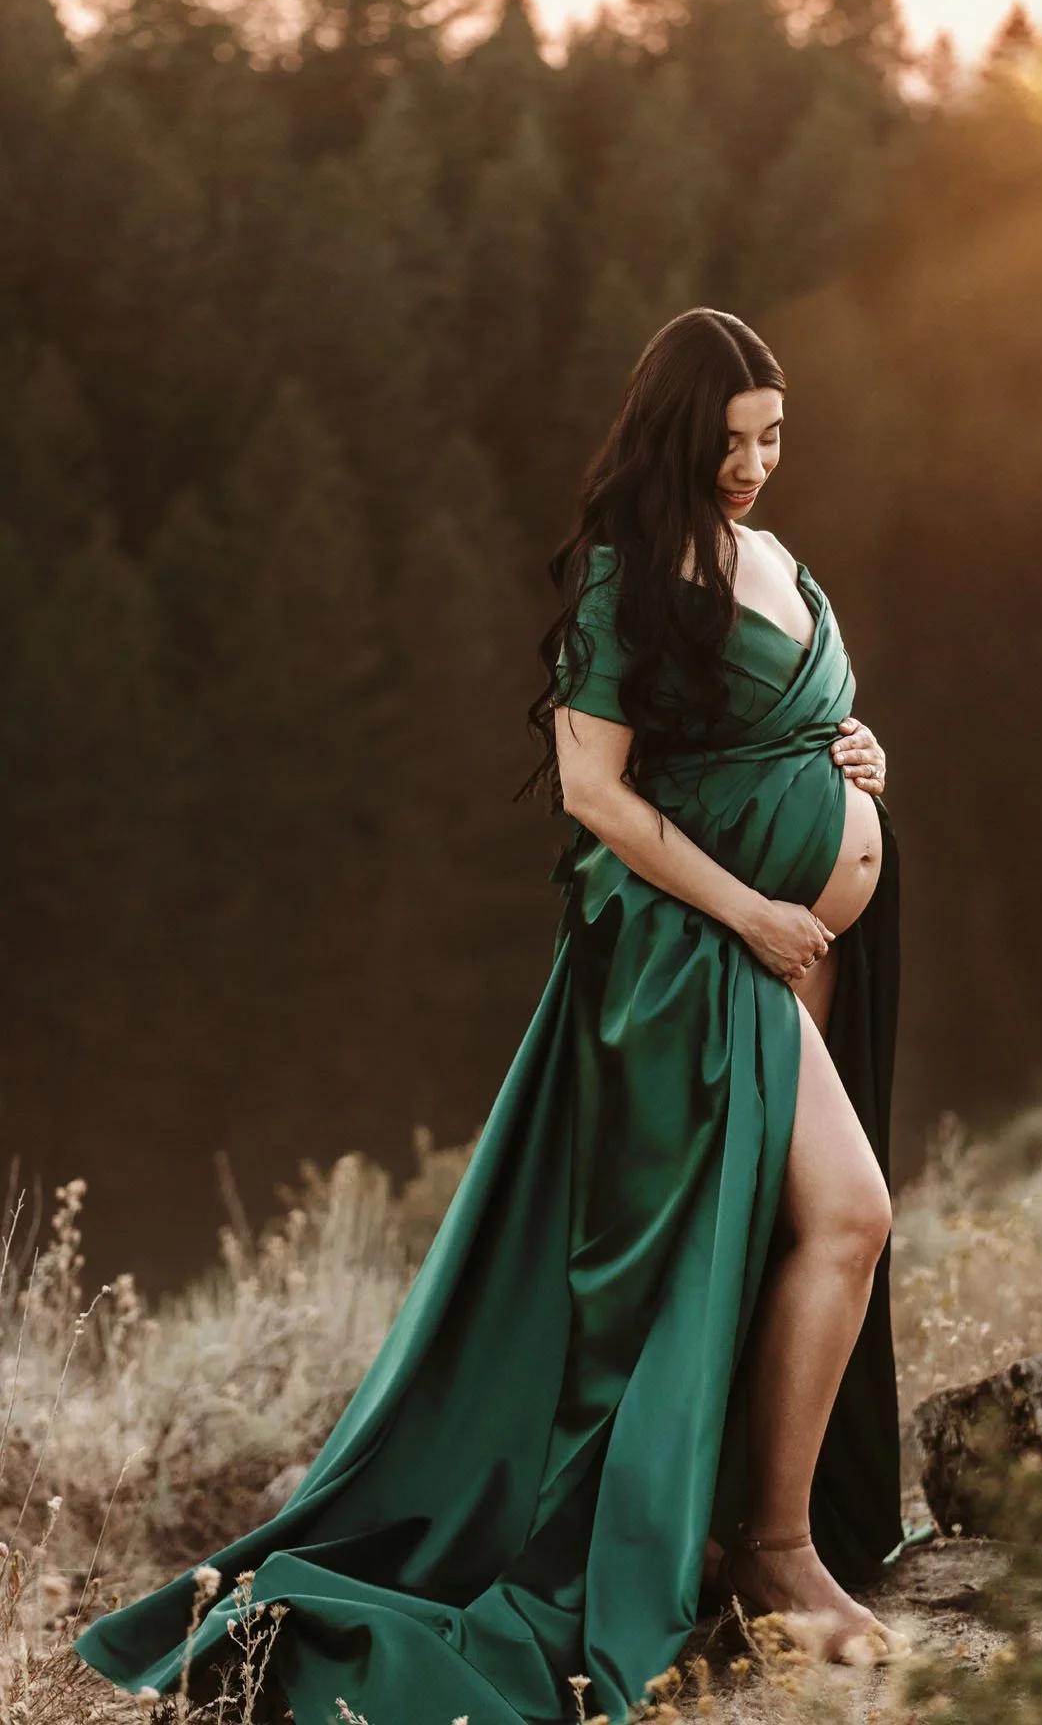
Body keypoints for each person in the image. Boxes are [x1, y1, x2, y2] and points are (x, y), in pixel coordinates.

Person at [73, 308, 912, 1725]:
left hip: (791, 944)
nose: (752, 469)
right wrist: (753, 910)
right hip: (693, 954)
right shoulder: (621, 576)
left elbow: (782, 712)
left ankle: (756, 1533)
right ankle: (771, 1557)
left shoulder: (772, 559)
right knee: (847, 1215)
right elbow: (595, 795)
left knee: (772, 1235)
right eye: (725, 445)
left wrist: (855, 748)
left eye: (770, 440)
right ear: (672, 435)